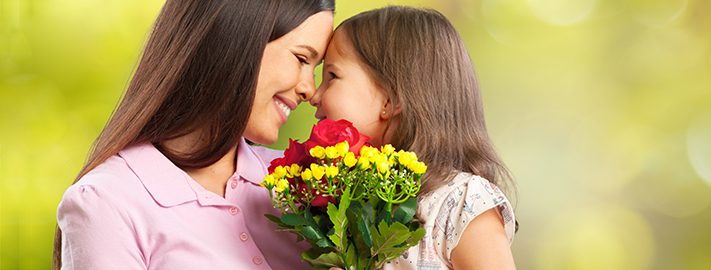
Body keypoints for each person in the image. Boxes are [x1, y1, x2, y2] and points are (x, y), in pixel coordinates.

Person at [53, 0, 335, 269]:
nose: (309, 89)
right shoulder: (109, 202)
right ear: (237, 37)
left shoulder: (303, 184)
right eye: (301, 58)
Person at [310, 6, 517, 269]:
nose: (314, 95)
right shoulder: (352, 205)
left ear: (391, 98)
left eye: (332, 76)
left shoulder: (463, 202)